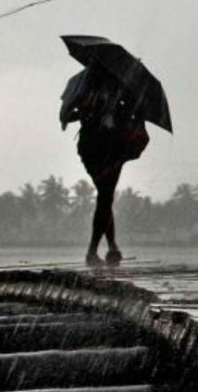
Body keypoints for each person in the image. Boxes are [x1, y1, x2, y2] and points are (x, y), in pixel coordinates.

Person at [74, 67, 150, 267]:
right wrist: (93, 108)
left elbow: (134, 117)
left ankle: (111, 248)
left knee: (105, 196)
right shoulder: (90, 89)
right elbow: (76, 113)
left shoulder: (123, 95)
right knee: (105, 196)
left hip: (113, 149)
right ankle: (95, 251)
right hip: (96, 150)